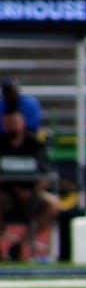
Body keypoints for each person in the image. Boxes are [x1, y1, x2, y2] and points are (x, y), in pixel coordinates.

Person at [0, 110, 59, 261]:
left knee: (52, 204)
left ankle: (20, 244)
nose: (11, 127)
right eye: (8, 123)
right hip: (5, 193)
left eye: (14, 123)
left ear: (23, 124)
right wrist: (14, 189)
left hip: (32, 193)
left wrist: (32, 190)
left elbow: (46, 173)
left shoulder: (34, 144)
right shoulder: (2, 144)